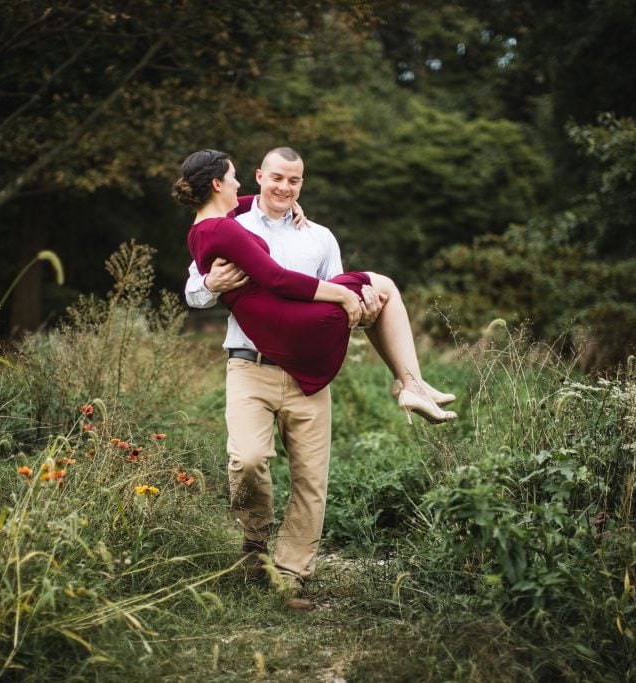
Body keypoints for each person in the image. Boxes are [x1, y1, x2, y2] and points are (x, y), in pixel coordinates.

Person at [177, 147, 455, 605]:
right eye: (277, 179)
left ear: (302, 184)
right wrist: (210, 284)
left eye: (296, 181)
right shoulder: (231, 224)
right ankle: (253, 546)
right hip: (251, 364)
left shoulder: (320, 237)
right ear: (258, 177)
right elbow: (193, 291)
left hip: (306, 372)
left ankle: (291, 575)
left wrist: (357, 305)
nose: (286, 188)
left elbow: (343, 293)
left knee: (311, 478)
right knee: (246, 460)